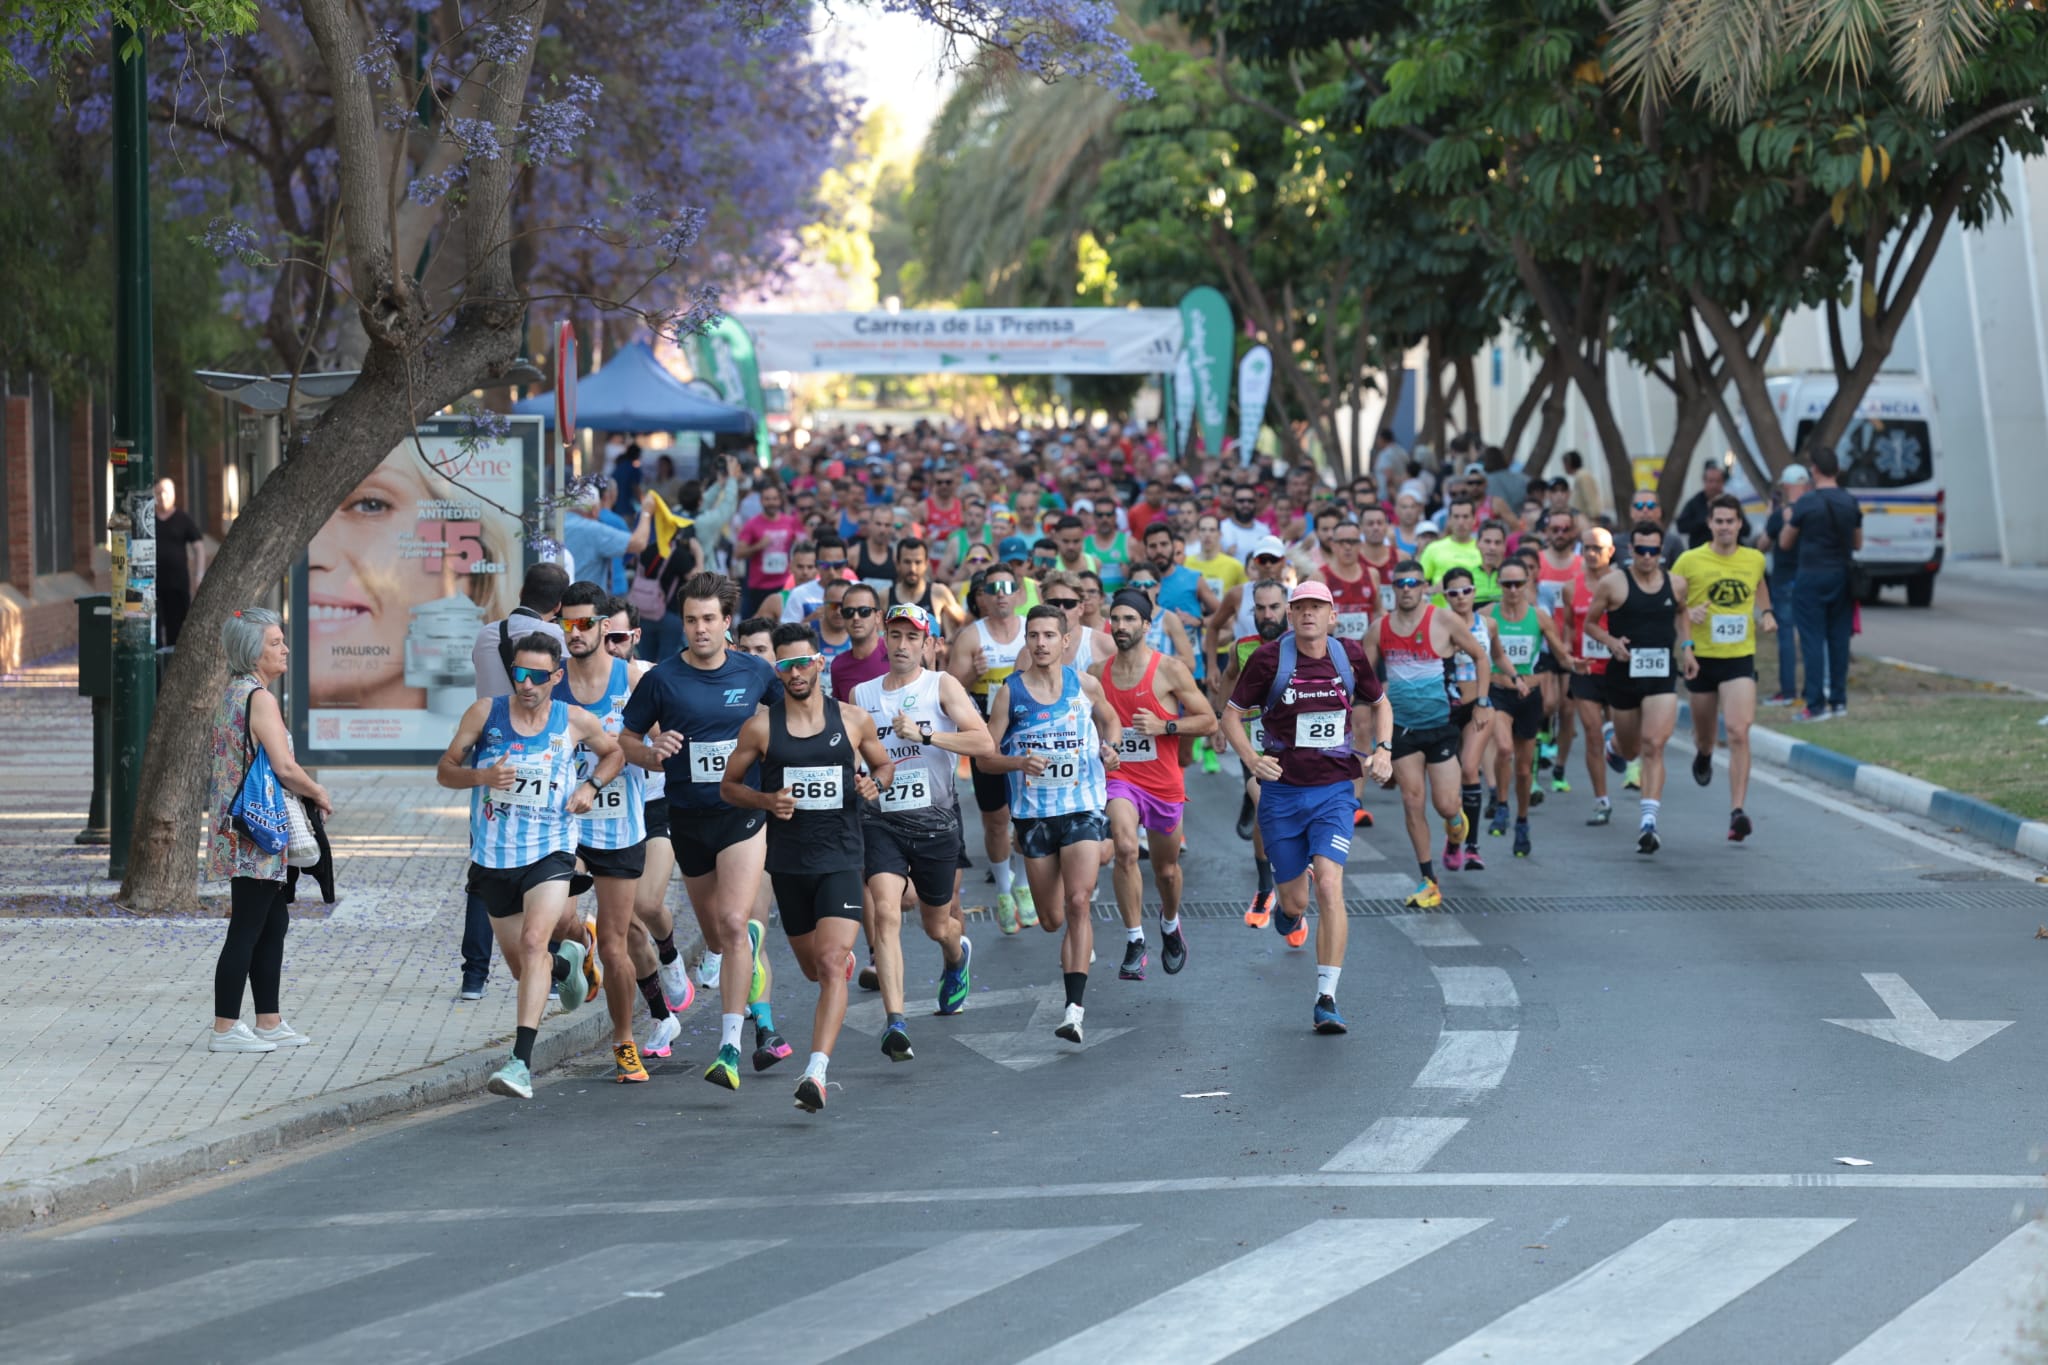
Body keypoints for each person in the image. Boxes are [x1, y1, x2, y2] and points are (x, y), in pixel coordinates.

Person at [618, 572, 784, 1090]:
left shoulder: (756, 673)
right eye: (690, 620)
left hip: (742, 813)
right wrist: (651, 752)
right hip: (689, 819)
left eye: (709, 619)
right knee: (716, 934)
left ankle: (730, 1046)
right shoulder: (661, 680)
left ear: (727, 621)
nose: (699, 629)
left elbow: (794, 720)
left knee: (735, 924)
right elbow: (626, 738)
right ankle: (739, 948)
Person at [720, 624, 894, 1113]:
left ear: (820, 662)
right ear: (776, 670)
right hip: (790, 864)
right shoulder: (760, 727)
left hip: (841, 856)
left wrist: (873, 785)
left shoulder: (854, 721)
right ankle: (834, 961)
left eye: (803, 663)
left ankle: (816, 1072)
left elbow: (883, 766)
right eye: (785, 665)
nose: (795, 673)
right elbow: (728, 787)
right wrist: (764, 799)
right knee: (811, 967)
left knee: (830, 964)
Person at [436, 633, 616, 1098]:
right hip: (494, 855)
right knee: (523, 968)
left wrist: (591, 786)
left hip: (551, 848)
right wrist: (481, 775)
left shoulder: (573, 720)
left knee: (536, 940)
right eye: (519, 673)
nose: (527, 684)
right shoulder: (485, 713)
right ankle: (567, 963)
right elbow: (444, 770)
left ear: (556, 677)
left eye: (538, 676)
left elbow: (613, 752)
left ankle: (520, 1062)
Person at [1221, 581, 1393, 1034]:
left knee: (1330, 885)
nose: (1309, 615)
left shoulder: (1349, 656)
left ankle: (1326, 997)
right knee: (1296, 899)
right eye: (1301, 609)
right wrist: (1251, 758)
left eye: (1318, 608)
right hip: (1282, 793)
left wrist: (1384, 750)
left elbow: (1380, 703)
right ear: (1291, 617)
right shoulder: (1268, 660)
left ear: (1333, 616)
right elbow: (1231, 713)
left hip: (1336, 789)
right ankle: (1287, 911)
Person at [854, 603, 995, 1060]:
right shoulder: (861, 695)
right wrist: (862, 781)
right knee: (886, 915)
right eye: (894, 635)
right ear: (883, 639)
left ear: (929, 644)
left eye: (912, 637)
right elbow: (855, 755)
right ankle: (895, 1022)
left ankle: (957, 957)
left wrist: (928, 737)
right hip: (883, 822)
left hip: (936, 824)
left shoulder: (943, 686)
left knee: (937, 925)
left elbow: (984, 742)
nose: (901, 645)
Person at [981, 604, 1124, 1044]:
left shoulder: (1084, 684)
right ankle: (1102, 851)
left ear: (1065, 641)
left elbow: (1110, 719)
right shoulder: (1010, 693)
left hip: (1081, 805)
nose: (1040, 643)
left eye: (1049, 635)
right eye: (1033, 635)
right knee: (1050, 918)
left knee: (1080, 902)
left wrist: (1111, 747)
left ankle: (1074, 1010)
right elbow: (984, 759)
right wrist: (1017, 760)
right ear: (1026, 641)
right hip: (1034, 817)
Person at [205, 608, 331, 1053]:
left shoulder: (235, 692)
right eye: (275, 642)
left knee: (272, 923)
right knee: (247, 926)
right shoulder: (258, 697)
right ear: (252, 651)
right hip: (257, 833)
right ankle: (224, 1028)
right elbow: (284, 767)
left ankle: (269, 1021)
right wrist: (317, 791)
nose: (284, 649)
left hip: (246, 828)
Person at [552, 582, 656, 1083]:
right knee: (556, 925)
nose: (574, 633)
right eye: (566, 624)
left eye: (584, 624)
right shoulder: (550, 684)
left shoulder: (633, 679)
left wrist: (652, 750)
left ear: (603, 627)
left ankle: (623, 1042)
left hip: (619, 827)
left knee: (617, 946)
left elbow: (653, 748)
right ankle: (580, 940)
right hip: (563, 829)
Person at [1097, 588, 1217, 979]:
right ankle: (1134, 939)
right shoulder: (1099, 672)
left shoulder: (1169, 669)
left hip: (1163, 783)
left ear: (1147, 626)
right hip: (1121, 778)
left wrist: (1166, 725)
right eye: (1115, 618)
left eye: (1130, 619)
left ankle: (1169, 923)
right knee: (1126, 848)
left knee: (1166, 871)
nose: (1120, 626)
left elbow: (1208, 721)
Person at [1362, 562, 1489, 910]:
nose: (1406, 589)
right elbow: (1361, 676)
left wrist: (1482, 701)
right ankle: (1428, 880)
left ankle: (1455, 825)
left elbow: (1480, 656)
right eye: (1400, 583)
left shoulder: (1444, 621)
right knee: (1412, 800)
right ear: (1393, 588)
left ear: (1424, 587)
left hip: (1439, 727)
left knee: (1446, 804)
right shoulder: (1379, 629)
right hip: (1402, 730)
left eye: (1413, 583)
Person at [602, 601, 694, 1061]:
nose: (610, 647)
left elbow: (673, 734)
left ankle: (672, 954)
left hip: (656, 805)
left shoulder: (653, 677)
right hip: (600, 815)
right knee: (621, 929)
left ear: (635, 636)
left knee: (646, 905)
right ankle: (662, 1016)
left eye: (618, 638)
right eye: (604, 637)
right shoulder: (577, 684)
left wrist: (655, 742)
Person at [1583, 520, 1686, 854]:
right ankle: (1615, 746)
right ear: (1631, 551)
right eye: (1640, 550)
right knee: (1630, 751)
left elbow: (1682, 616)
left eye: (1653, 551)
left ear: (1662, 551)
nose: (1646, 557)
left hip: (1661, 675)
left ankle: (1648, 822)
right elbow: (1590, 624)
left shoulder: (1677, 584)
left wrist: (1687, 650)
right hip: (1624, 675)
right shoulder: (1613, 583)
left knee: (1653, 745)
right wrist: (1612, 642)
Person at [948, 569, 1034, 933]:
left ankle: (1026, 886)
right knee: (996, 819)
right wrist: (973, 675)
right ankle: (1003, 890)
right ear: (981, 596)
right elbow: (949, 691)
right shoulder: (971, 637)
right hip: (987, 737)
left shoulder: (1034, 630)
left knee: (1029, 817)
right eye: (992, 589)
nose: (1001, 595)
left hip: (1028, 733)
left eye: (1008, 588)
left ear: (1018, 593)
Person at [1485, 562, 1575, 857]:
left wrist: (1578, 664)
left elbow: (1561, 655)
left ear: (1527, 584)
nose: (1512, 590)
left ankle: (1522, 822)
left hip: (1530, 697)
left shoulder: (1539, 618)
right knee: (1503, 749)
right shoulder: (1487, 615)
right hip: (1498, 694)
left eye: (1518, 584)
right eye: (1507, 584)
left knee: (1524, 771)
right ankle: (1501, 805)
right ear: (1499, 584)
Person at [1439, 565, 1511, 871]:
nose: (1461, 597)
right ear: (1446, 596)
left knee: (1470, 768)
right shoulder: (1440, 625)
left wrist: (1515, 677)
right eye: (1453, 593)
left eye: (1466, 590)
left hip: (1479, 705)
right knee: (1449, 784)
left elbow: (1497, 656)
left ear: (1474, 592)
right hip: (1445, 708)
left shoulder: (1489, 624)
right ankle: (1455, 836)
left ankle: (1472, 846)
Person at [1781, 447, 1862, 720]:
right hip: (1842, 576)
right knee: (1839, 639)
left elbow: (1785, 542)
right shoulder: (1850, 502)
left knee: (1812, 639)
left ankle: (1815, 704)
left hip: (1810, 576)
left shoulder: (1806, 504)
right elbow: (1857, 542)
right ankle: (1839, 701)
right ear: (1837, 470)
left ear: (1814, 470)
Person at [1566, 526, 1620, 825]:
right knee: (1592, 734)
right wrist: (1568, 656)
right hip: (1585, 670)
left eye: (1597, 549)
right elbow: (1569, 630)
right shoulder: (1572, 587)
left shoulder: (1622, 584)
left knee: (1620, 736)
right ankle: (1602, 801)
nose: (1590, 554)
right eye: (1586, 547)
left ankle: (1619, 748)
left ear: (1610, 552)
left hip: (1617, 669)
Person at [471, 564, 569, 702]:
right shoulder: (560, 637)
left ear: (521, 592)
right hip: (535, 722)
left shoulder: (485, 635)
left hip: (488, 721)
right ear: (558, 605)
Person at [1758, 463, 1809, 706]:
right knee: (1811, 636)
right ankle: (1814, 689)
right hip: (1809, 580)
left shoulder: (1781, 515)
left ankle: (1788, 691)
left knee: (1786, 637)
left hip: (1784, 580)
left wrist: (1770, 519)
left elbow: (1762, 546)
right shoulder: (1813, 511)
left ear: (1787, 487)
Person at [563, 485, 652, 596]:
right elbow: (639, 543)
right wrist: (646, 512)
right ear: (594, 510)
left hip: (561, 601)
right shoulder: (593, 529)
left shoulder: (557, 525)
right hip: (587, 602)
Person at [733, 481, 804, 618]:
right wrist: (758, 546)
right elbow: (738, 553)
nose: (771, 502)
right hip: (759, 586)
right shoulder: (752, 524)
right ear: (761, 501)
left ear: (780, 501)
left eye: (774, 499)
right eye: (767, 499)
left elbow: (802, 544)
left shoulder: (790, 522)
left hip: (784, 583)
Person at [154, 477, 207, 651]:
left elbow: (199, 547)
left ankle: (171, 665)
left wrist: (199, 575)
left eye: (166, 492)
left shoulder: (182, 519)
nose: (162, 496)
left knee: (176, 629)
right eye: (159, 492)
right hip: (151, 585)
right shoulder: (148, 520)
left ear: (174, 494)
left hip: (177, 584)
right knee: (154, 629)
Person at [828, 581, 890, 701]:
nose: (856, 618)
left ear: (878, 616)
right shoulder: (838, 666)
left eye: (864, 611)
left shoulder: (895, 655)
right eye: (849, 612)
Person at [1673, 460, 1729, 550]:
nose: (1714, 485)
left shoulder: (1730, 502)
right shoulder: (1694, 503)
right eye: (1711, 481)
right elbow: (1681, 526)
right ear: (1704, 481)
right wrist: (1704, 521)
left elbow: (1746, 529)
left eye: (1718, 481)